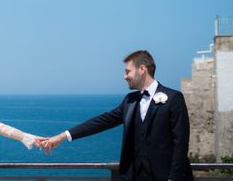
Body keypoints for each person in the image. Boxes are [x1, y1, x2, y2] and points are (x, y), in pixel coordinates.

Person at [43, 50, 193, 181]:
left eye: (127, 71)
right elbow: (101, 122)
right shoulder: (130, 101)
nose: (124, 76)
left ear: (142, 69)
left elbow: (181, 144)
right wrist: (62, 136)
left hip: (165, 176)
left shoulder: (174, 98)